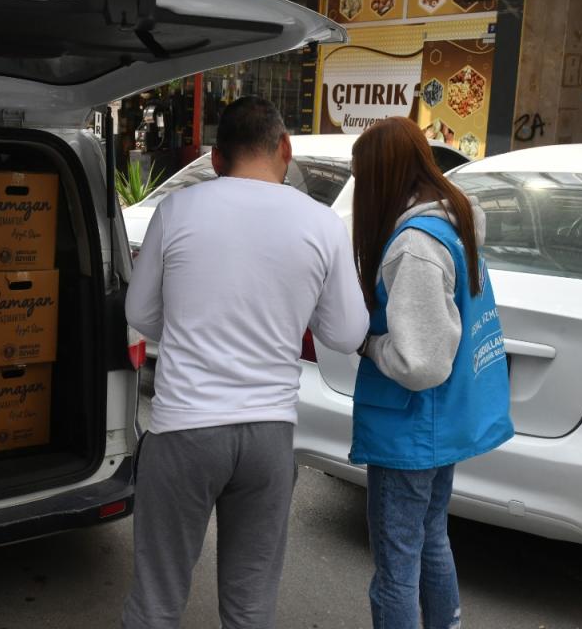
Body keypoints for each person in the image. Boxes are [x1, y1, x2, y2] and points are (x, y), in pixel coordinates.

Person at [122, 97, 369, 629]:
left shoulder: (177, 211)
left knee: (157, 600)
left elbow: (139, 312)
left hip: (185, 428)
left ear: (215, 158)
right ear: (285, 148)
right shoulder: (321, 223)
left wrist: (190, 332)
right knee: (251, 604)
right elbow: (347, 334)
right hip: (269, 435)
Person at [347, 116, 514, 629]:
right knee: (430, 539)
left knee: (397, 566)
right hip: (437, 426)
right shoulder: (452, 223)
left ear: (383, 177)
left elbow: (420, 363)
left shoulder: (414, 246)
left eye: (362, 179)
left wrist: (369, 343)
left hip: (411, 428)